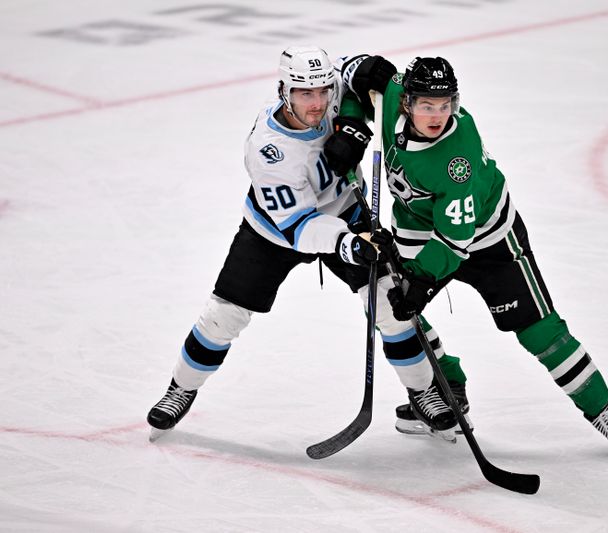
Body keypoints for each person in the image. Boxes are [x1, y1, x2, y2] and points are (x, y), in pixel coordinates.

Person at [146, 46, 468, 442]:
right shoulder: (269, 151)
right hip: (274, 233)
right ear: (284, 91)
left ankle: (422, 390)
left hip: (347, 213)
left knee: (390, 306)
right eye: (305, 94)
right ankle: (182, 388)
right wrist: (349, 245)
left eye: (322, 92)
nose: (317, 103)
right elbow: (299, 228)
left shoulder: (326, 92)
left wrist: (359, 93)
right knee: (223, 317)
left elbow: (353, 73)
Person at [326, 55, 608, 453]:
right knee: (392, 308)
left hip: (489, 240)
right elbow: (344, 75)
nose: (438, 115)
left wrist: (421, 281)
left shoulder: (459, 158)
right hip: (418, 228)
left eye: (445, 106)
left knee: (538, 329)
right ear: (406, 101)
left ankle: (602, 410)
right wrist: (351, 126)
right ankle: (448, 385)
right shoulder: (390, 94)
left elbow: (455, 239)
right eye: (427, 106)